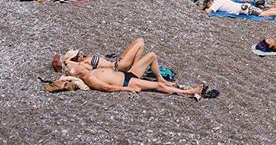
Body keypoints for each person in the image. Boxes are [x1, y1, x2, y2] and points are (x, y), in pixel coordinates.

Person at [65, 60, 205, 97]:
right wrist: (127, 89)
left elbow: (68, 63)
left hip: (128, 75)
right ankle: (190, 92)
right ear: (78, 74)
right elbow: (108, 88)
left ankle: (161, 78)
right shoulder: (90, 79)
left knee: (151, 55)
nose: (80, 65)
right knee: (157, 87)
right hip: (128, 81)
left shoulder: (89, 72)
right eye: (78, 67)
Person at [52, 38, 166, 82]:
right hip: (119, 66)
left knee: (139, 40)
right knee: (140, 44)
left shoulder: (85, 59)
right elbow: (68, 66)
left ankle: (134, 67)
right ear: (74, 60)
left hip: (116, 62)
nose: (80, 54)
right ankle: (133, 68)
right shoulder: (83, 65)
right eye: (77, 55)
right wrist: (64, 62)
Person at [200, 0, 276, 18]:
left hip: (244, 9)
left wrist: (205, 9)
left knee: (263, 14)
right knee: (263, 11)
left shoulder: (216, 3)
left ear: (209, 3)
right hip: (244, 7)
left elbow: (209, 11)